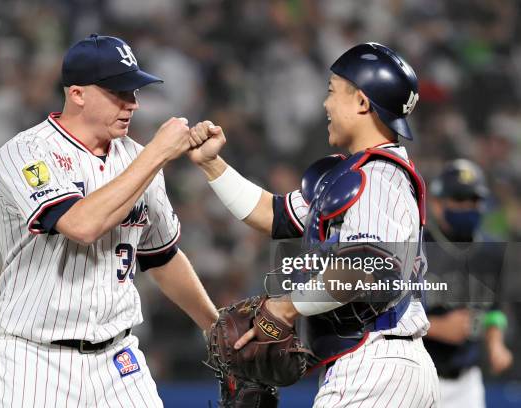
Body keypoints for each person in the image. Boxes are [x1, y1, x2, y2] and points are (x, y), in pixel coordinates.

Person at [188, 43, 440, 406]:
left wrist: (287, 306)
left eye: (332, 91)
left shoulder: (379, 176)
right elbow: (271, 215)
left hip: (375, 365)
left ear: (362, 103)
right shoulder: (354, 175)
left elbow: (367, 268)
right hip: (382, 366)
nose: (325, 104)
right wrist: (212, 166)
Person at [0, 34, 219, 407]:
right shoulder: (25, 153)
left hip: (119, 358)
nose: (133, 104)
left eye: (134, 90)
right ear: (77, 93)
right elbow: (81, 226)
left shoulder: (139, 157)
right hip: (36, 361)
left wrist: (215, 325)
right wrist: (158, 153)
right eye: (119, 92)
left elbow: (161, 255)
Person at [424, 159, 513, 407]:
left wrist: (496, 344)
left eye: (473, 201)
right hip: (420, 375)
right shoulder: (417, 247)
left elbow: (494, 311)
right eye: (459, 200)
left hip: (467, 381)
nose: (468, 207)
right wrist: (437, 326)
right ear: (437, 204)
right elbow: (388, 314)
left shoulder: (492, 251)